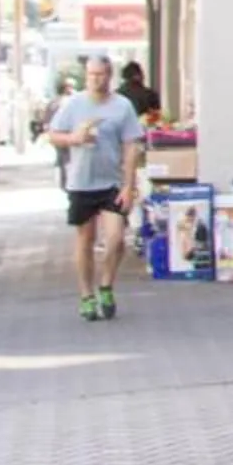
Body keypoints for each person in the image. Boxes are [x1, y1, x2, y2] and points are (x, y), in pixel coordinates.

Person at [43, 55, 144, 321]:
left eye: (100, 74)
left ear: (110, 76)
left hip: (111, 182)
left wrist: (129, 185)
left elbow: (131, 146)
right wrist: (74, 138)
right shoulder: (73, 105)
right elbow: (53, 135)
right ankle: (87, 296)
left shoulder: (122, 106)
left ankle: (106, 285)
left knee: (115, 238)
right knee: (85, 240)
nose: (96, 80)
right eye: (91, 75)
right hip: (81, 181)